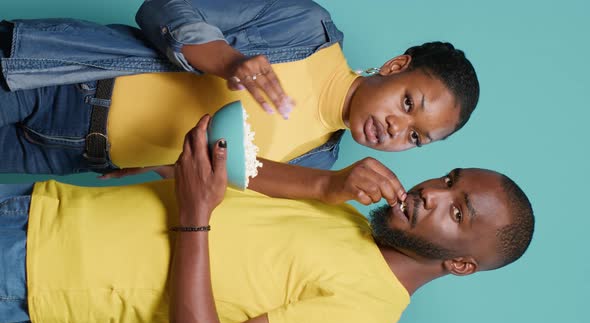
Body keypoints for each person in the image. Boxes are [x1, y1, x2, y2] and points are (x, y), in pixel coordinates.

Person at [0, 116, 534, 323]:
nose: (432, 193)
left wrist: (193, 219)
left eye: (457, 211)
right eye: (446, 178)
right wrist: (330, 183)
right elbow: (229, 169)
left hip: (31, 279)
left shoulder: (367, 312)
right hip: (39, 206)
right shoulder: (347, 214)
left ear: (461, 264)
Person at [0, 0, 479, 205]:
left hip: (72, 153)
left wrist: (161, 166)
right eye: (409, 103)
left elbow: (220, 179)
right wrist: (229, 61)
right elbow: (163, 8)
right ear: (395, 67)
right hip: (61, 78)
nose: (397, 128)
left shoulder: (319, 161)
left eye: (416, 137)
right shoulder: (305, 27)